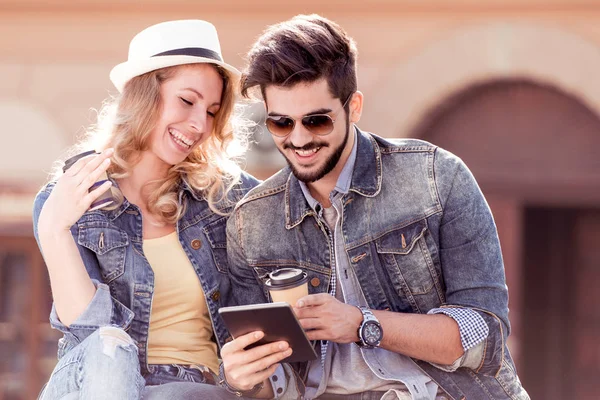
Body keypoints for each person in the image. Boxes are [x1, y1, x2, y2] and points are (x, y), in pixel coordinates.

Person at [223, 14, 531, 400]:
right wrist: (243, 377)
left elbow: (483, 334)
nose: (299, 139)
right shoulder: (251, 221)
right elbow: (272, 383)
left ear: (354, 107)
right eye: (281, 124)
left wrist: (362, 324)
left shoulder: (437, 178)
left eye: (317, 121)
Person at [32, 19, 291, 399]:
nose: (199, 124)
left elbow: (261, 331)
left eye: (211, 111)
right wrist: (54, 230)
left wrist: (240, 376)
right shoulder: (69, 198)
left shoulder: (229, 200)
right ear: (144, 95)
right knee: (112, 350)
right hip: (96, 380)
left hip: (193, 389)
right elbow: (89, 334)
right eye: (187, 101)